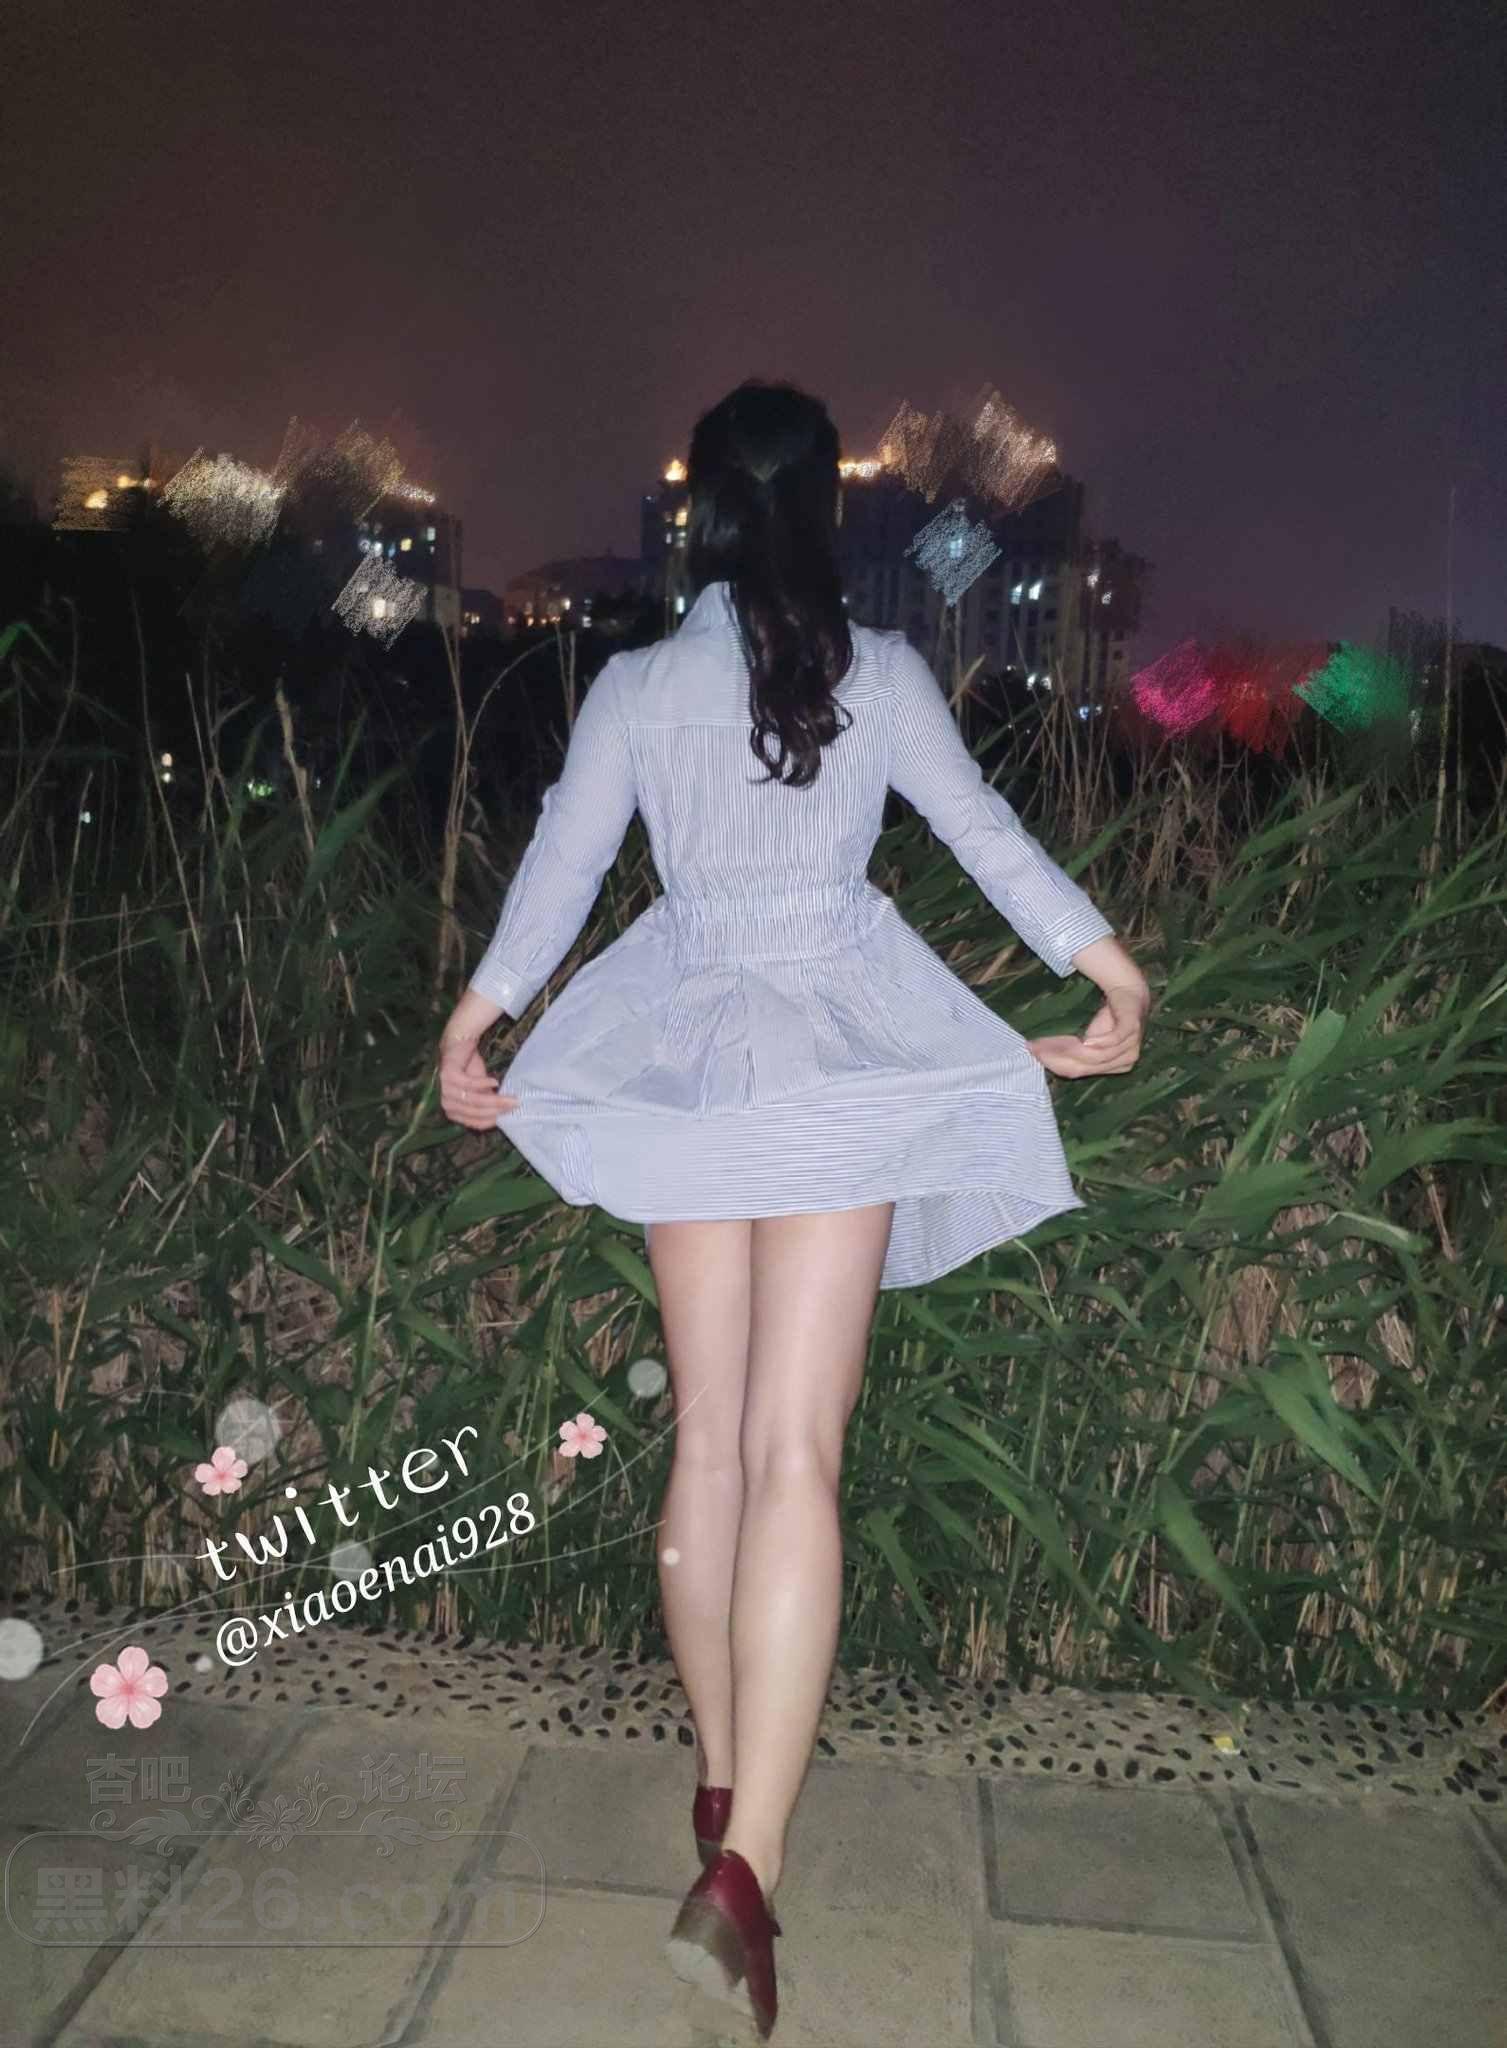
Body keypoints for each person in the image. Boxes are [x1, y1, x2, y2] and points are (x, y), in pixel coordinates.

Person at [437, 379, 1151, 2038]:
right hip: (843, 1059)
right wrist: (1109, 968)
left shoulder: (635, 686)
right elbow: (984, 834)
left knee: (707, 1444)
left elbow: (559, 867)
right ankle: (749, 1862)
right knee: (795, 1458)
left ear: (699, 513)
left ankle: (719, 1782)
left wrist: (476, 1021)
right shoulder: (879, 672)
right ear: (831, 511)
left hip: (688, 1055)